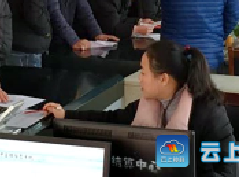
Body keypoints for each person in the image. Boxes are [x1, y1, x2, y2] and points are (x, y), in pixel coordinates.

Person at [44, 40, 236, 177]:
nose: (140, 78)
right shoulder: (149, 103)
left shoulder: (209, 112)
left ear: (163, 79)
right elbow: (110, 120)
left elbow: (229, 169)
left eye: (144, 72)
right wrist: (65, 114)